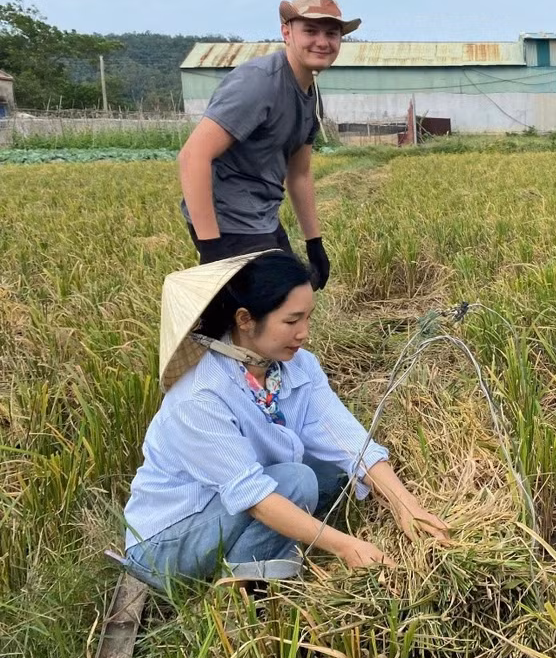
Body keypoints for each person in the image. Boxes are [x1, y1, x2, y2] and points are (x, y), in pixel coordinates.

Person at [121, 250, 448, 591]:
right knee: (296, 481)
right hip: (164, 544)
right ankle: (246, 585)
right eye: (292, 321)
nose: (304, 332)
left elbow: (348, 441)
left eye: (308, 318)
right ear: (245, 319)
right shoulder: (200, 395)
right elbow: (253, 496)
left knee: (334, 468)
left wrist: (406, 505)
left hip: (223, 509)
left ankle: (265, 548)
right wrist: (346, 546)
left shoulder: (296, 366)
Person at [178, 0, 361, 289]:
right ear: (286, 32)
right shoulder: (258, 84)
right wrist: (212, 251)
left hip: (262, 215)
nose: (323, 42)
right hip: (228, 221)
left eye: (332, 33)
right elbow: (192, 156)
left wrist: (314, 242)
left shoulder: (310, 96)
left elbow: (299, 174)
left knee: (292, 296)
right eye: (310, 31)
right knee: (273, 312)